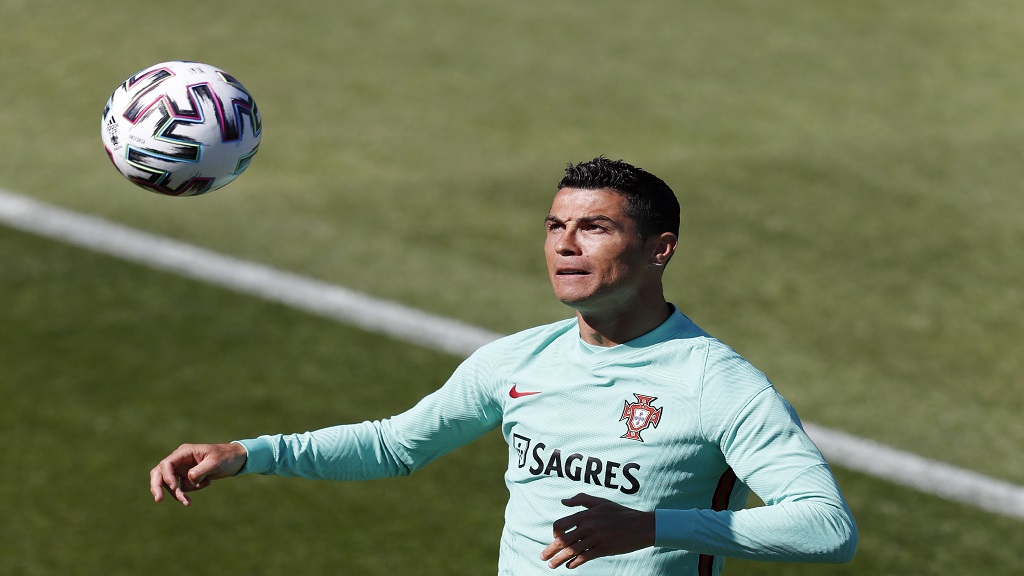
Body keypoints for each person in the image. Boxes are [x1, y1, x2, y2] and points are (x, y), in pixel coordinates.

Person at [150, 157, 857, 575]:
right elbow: (396, 446)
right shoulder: (520, 359)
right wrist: (246, 453)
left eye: (595, 227)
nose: (566, 246)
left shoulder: (716, 383)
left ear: (659, 248)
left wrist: (652, 527)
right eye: (555, 227)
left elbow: (826, 527)